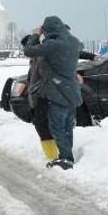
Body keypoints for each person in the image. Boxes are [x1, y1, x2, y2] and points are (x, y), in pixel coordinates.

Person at [22, 16, 82, 170]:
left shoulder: (52, 45)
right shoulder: (74, 42)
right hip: (72, 90)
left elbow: (28, 51)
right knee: (68, 126)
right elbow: (75, 49)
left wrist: (35, 35)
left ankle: (66, 158)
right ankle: (68, 155)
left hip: (58, 92)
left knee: (57, 127)